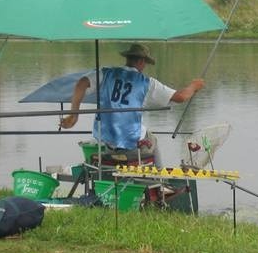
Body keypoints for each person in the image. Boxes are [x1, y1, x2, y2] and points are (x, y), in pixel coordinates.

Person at [60, 43, 204, 167]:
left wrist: (74, 115)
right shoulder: (147, 83)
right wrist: (194, 86)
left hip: (107, 144)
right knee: (152, 138)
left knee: (139, 133)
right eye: (145, 62)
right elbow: (180, 97)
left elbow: (81, 83)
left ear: (128, 59)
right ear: (141, 61)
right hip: (132, 146)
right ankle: (159, 181)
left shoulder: (106, 74)